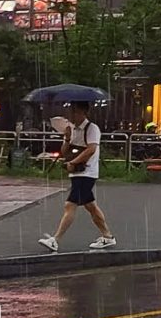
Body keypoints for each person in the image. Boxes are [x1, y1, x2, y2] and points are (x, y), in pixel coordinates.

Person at [38, 101, 116, 252]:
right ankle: (107, 236)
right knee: (90, 206)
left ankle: (56, 239)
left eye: (74, 112)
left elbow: (91, 149)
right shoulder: (72, 129)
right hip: (76, 172)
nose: (71, 115)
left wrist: (74, 161)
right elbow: (64, 150)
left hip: (87, 172)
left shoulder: (92, 128)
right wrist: (67, 138)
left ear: (82, 112)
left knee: (70, 205)